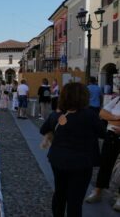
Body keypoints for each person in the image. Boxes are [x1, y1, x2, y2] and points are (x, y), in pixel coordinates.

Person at [40, 82, 102, 217]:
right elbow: (102, 132)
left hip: (58, 160)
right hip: (82, 162)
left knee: (60, 194)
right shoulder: (90, 115)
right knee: (75, 200)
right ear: (84, 97)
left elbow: (43, 129)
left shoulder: (56, 115)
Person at [85, 93, 120, 211]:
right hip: (111, 136)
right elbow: (102, 113)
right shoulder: (117, 99)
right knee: (105, 164)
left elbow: (107, 115)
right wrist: (116, 118)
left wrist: (111, 117)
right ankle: (98, 191)